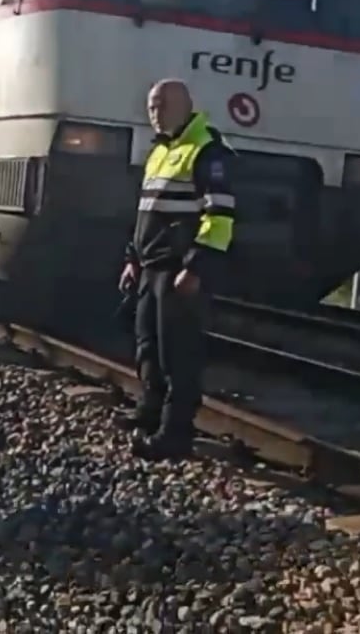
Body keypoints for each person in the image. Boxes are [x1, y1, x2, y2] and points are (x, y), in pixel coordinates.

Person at [118, 78, 237, 461]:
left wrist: (196, 266)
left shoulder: (206, 151)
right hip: (150, 267)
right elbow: (146, 213)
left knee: (178, 354)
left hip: (178, 270)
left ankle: (175, 433)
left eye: (162, 106)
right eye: (152, 107)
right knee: (148, 345)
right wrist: (132, 259)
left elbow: (220, 215)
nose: (155, 114)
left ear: (185, 105)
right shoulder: (160, 151)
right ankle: (149, 412)